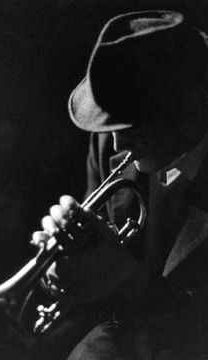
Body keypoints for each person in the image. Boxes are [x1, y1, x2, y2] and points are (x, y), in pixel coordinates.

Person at [32, 10, 208, 360]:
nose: (115, 145)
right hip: (132, 322)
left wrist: (128, 280)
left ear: (191, 108)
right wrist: (67, 263)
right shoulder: (114, 136)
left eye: (134, 125)